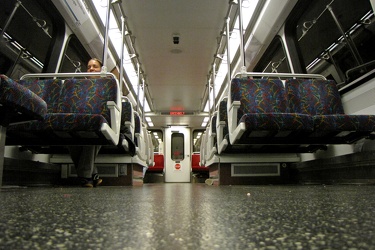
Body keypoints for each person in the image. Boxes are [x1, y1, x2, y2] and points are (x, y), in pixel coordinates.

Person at [68, 58, 103, 187]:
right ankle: (93, 173)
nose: (91, 69)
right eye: (89, 67)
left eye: (95, 66)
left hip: (98, 120)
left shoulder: (107, 85)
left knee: (91, 136)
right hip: (80, 118)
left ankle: (85, 177)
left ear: (101, 70)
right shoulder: (81, 85)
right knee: (70, 138)